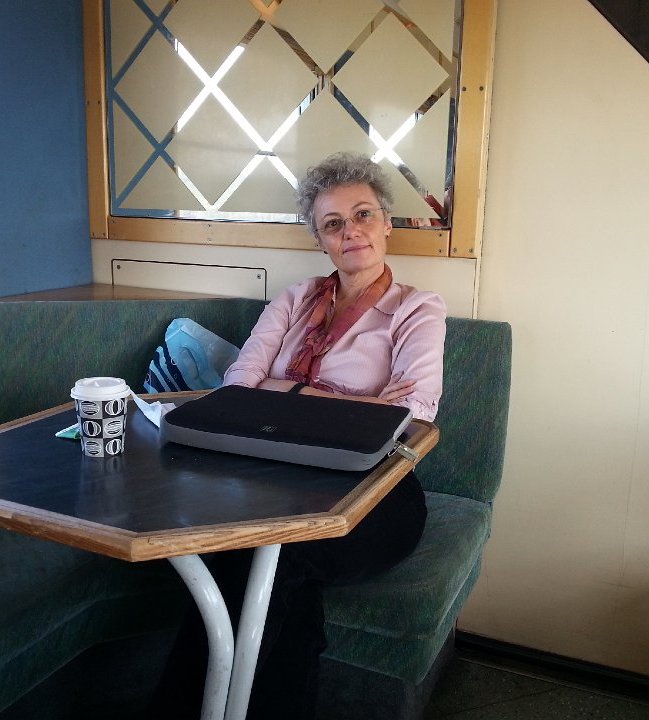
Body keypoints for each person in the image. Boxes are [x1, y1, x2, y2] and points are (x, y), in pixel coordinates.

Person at [149, 152, 446, 719]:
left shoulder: (417, 309)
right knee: (265, 569)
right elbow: (239, 386)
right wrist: (347, 403)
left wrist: (289, 391)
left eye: (363, 214)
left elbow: (411, 411)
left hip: (375, 489)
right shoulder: (295, 298)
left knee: (267, 561)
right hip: (271, 476)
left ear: (387, 223)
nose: (351, 231)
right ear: (320, 239)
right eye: (333, 223)